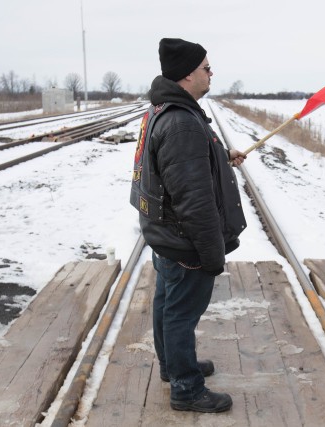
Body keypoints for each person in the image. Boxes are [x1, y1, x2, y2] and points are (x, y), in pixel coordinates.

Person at [130, 37, 247, 413]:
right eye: (206, 68)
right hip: (185, 241)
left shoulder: (168, 110)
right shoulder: (182, 123)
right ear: (186, 75)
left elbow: (179, 170)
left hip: (166, 235)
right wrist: (212, 254)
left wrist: (220, 154)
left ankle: (174, 367)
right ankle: (186, 389)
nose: (212, 73)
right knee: (181, 313)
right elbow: (194, 200)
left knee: (168, 305)